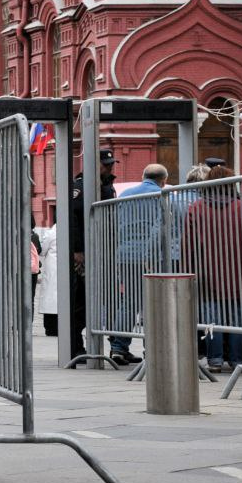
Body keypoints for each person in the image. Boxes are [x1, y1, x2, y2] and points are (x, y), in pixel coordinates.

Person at [182, 165, 242, 371]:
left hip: (207, 273)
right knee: (238, 317)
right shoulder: (241, 207)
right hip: (238, 271)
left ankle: (215, 360)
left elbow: (187, 244)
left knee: (212, 317)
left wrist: (188, 271)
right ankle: (237, 360)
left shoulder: (196, 208)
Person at [111, 164, 168, 364]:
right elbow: (160, 228)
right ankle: (151, 349)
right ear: (163, 180)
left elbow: (115, 224)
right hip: (152, 257)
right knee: (154, 303)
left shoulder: (125, 194)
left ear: (143, 176)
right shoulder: (163, 195)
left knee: (128, 303)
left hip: (126, 254)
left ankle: (118, 348)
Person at [68, 149, 117, 360]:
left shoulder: (107, 186)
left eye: (111, 164)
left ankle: (116, 345)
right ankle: (76, 345)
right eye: (105, 164)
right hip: (86, 253)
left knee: (109, 298)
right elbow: (73, 219)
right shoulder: (80, 187)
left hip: (104, 250)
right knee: (81, 300)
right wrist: (78, 249)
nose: (109, 167)